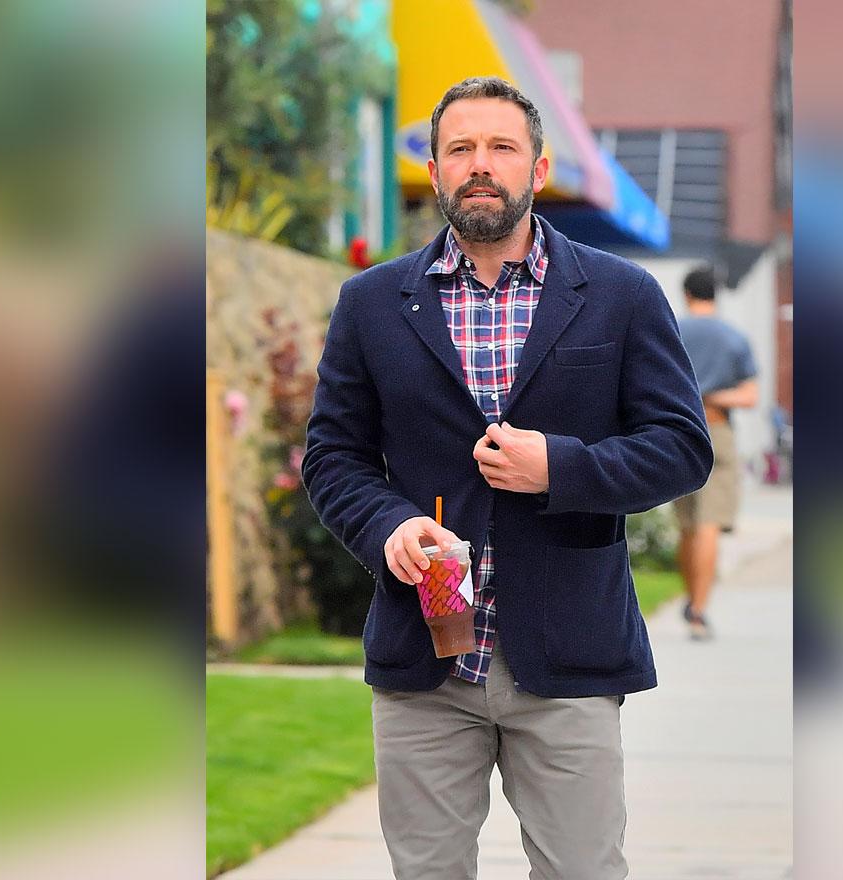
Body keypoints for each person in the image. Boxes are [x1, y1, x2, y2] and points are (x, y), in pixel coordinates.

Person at [301, 77, 712, 880]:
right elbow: (333, 457)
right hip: (426, 659)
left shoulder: (622, 295)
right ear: (435, 168)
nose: (480, 165)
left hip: (569, 656)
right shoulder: (372, 303)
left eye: (500, 148)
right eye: (460, 149)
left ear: (539, 165)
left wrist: (561, 466)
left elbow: (680, 446)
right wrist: (389, 527)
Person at [672, 266, 759, 640]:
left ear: (687, 294)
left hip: (676, 433)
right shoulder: (734, 338)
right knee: (708, 526)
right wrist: (713, 395)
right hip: (717, 429)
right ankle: (698, 611)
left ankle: (693, 598)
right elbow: (750, 396)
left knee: (688, 527)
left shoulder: (672, 330)